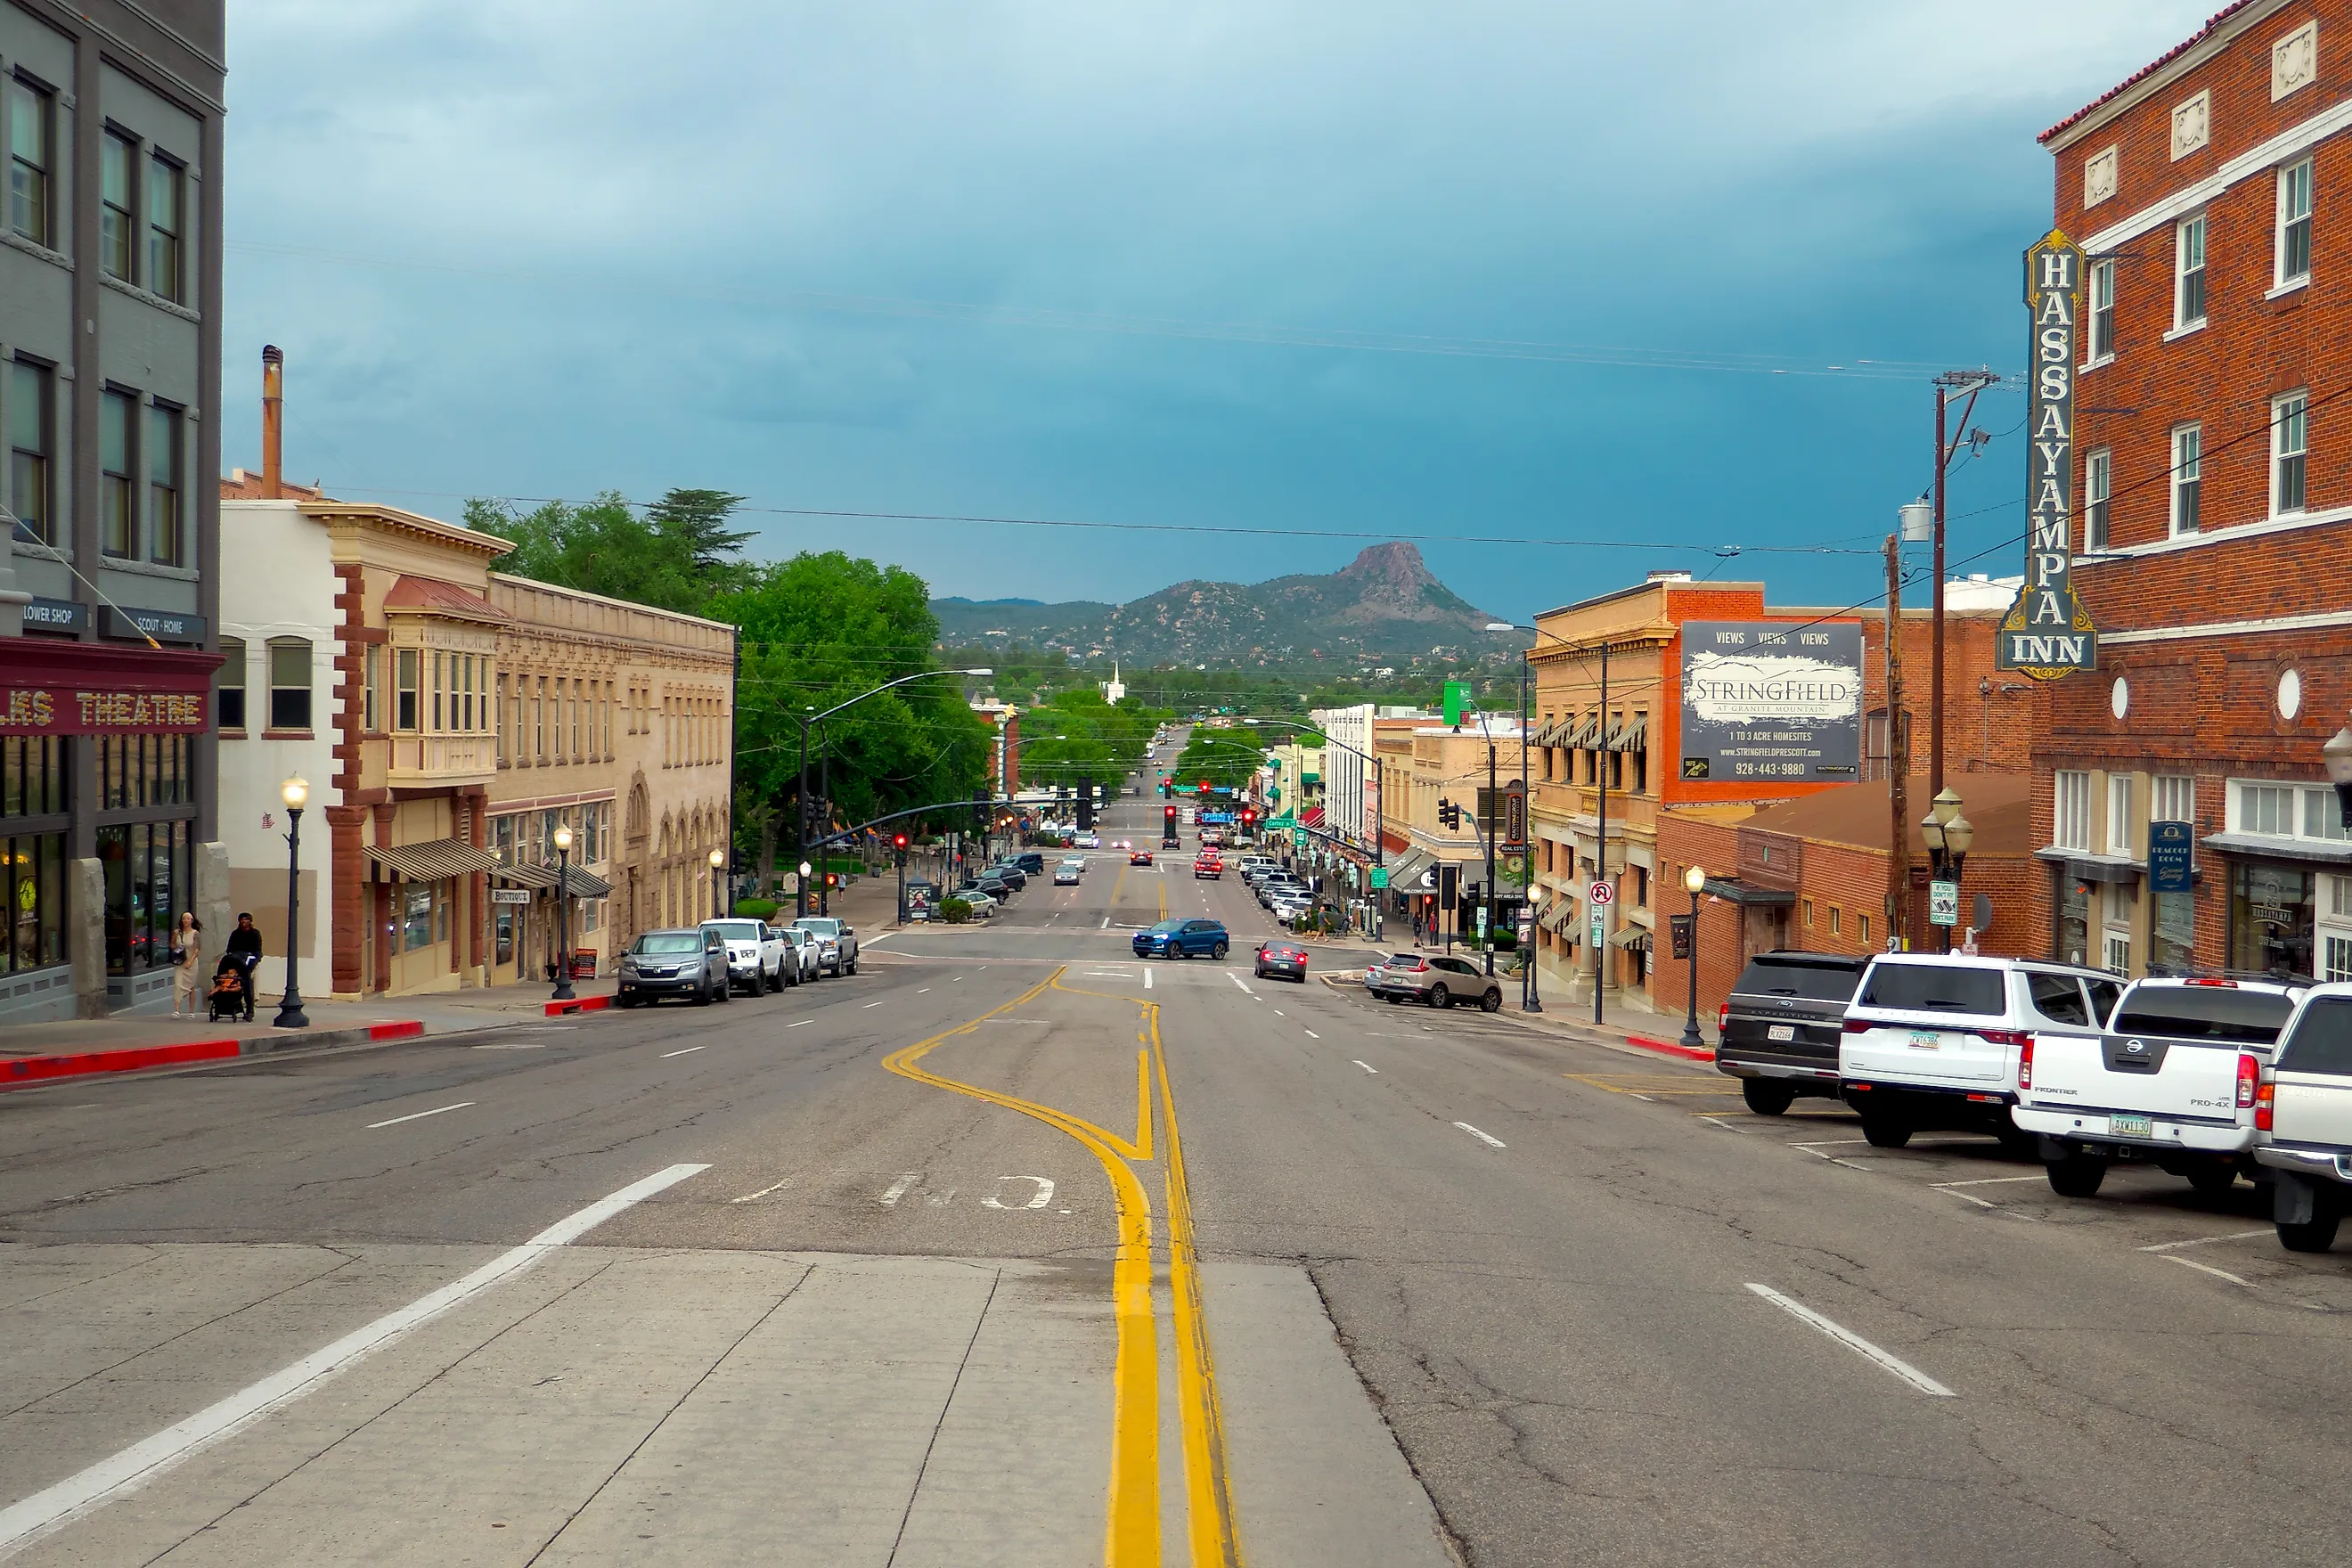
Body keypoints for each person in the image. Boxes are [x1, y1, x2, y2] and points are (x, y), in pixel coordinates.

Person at [225, 912, 265, 1022]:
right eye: (242, 920)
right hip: (236, 960)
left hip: (249, 961)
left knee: (247, 983)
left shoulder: (255, 934)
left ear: (250, 922)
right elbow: (230, 949)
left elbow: (257, 951)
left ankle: (250, 1010)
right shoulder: (235, 934)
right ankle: (231, 1006)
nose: (244, 922)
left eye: (246, 920)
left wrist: (253, 960)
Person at [168, 912, 202, 1017]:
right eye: (184, 919)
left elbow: (197, 950)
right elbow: (172, 944)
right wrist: (177, 949)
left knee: (190, 987)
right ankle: (177, 1010)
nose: (186, 921)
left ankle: (191, 1011)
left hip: (191, 962)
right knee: (178, 985)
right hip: (180, 961)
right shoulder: (177, 932)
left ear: (191, 920)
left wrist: (190, 962)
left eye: (188, 919)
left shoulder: (195, 933)